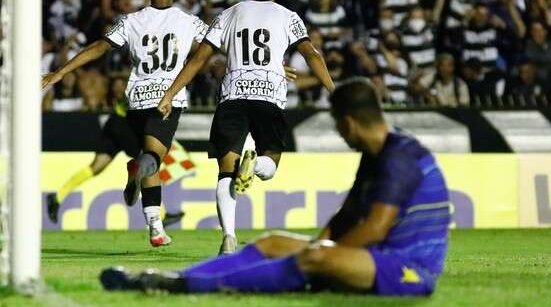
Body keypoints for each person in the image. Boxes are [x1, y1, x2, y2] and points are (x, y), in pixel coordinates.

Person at [100, 77, 450, 296]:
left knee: (314, 257)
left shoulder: (400, 157)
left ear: (349, 123)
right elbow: (347, 217)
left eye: (338, 127)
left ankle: (184, 286)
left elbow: (375, 228)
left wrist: (323, 252)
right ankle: (175, 276)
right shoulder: (377, 153)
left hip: (407, 270)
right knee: (271, 242)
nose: (340, 134)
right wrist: (320, 243)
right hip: (374, 257)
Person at [156, 0, 335, 255]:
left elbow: (199, 59)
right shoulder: (289, 16)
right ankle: (256, 164)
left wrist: (170, 93)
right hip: (269, 95)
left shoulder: (228, 14)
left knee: (225, 173)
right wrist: (333, 92)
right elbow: (312, 55)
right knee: (270, 166)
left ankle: (228, 237)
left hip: (233, 96)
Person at [42, 0, 209, 247]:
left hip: (136, 100)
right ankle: (140, 178)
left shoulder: (131, 21)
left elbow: (99, 46)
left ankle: (156, 229)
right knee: (151, 159)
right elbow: (218, 45)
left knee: (148, 160)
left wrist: (60, 72)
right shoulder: (189, 21)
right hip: (167, 98)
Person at [45, 78, 185, 227]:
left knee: (95, 167)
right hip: (124, 126)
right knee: (145, 163)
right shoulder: (141, 80)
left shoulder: (137, 77)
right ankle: (159, 215)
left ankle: (57, 196)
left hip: (113, 123)